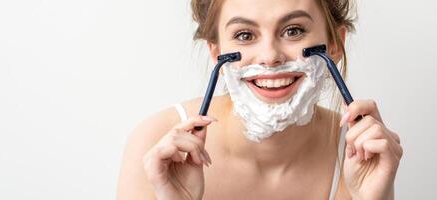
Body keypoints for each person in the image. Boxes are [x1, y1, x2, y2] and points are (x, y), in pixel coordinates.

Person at [117, 0, 403, 199]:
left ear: (334, 44)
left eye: (293, 31)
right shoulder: (157, 146)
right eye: (244, 35)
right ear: (217, 53)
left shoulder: (360, 156)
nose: (269, 57)